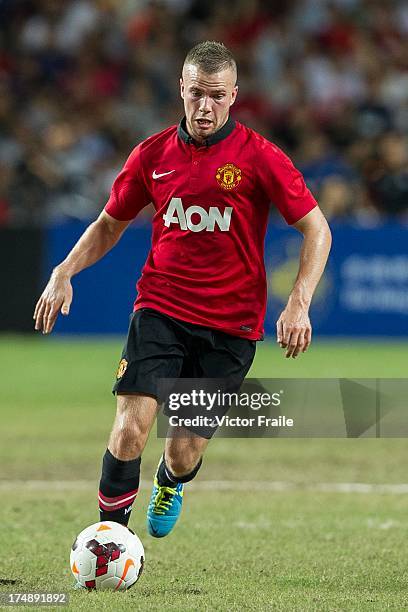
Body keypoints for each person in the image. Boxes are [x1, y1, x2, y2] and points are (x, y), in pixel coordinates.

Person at [33, 41, 331, 538]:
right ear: (181, 90)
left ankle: (170, 480)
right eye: (196, 94)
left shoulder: (260, 158)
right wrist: (64, 270)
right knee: (131, 425)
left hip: (231, 324)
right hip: (160, 308)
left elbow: (317, 229)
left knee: (183, 448)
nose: (205, 106)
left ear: (234, 95)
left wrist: (298, 302)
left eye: (217, 95)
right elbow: (110, 224)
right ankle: (111, 541)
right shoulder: (152, 155)